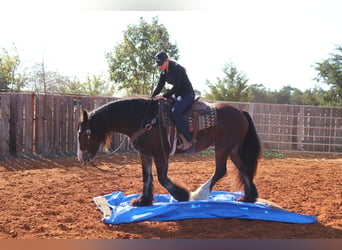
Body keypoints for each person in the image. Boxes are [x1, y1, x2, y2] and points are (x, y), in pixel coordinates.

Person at [151, 51, 195, 151]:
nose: (160, 66)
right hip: (177, 95)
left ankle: (188, 140)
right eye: (158, 65)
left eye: (161, 64)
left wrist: (163, 96)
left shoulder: (176, 68)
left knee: (176, 112)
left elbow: (177, 86)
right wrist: (152, 97)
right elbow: (159, 86)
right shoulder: (163, 71)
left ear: (167, 61)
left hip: (187, 94)